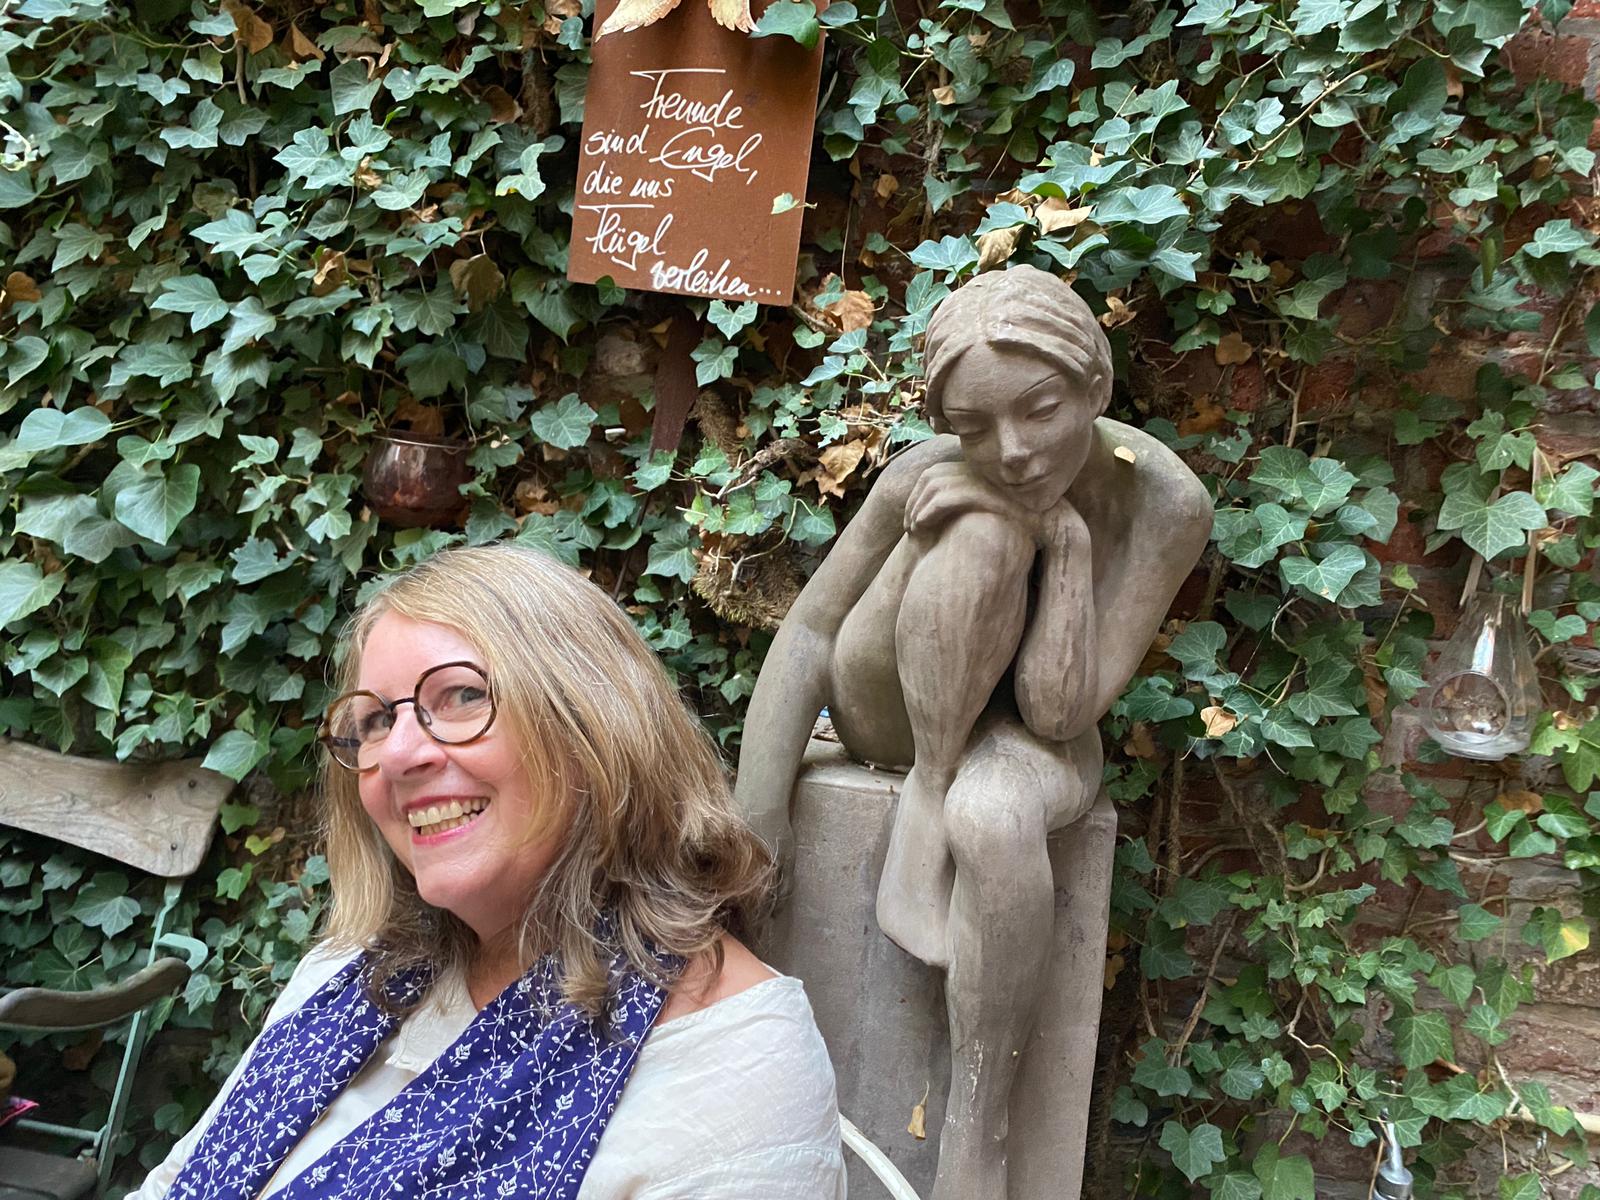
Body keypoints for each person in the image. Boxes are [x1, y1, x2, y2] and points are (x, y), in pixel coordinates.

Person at [135, 543, 845, 1200]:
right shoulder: (352, 968)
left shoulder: (735, 1066)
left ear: (593, 721)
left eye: (463, 696)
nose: (399, 754)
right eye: (375, 721)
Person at [734, 265, 1212, 1200]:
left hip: (1038, 726)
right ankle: (931, 779)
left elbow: (1060, 713)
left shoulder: (1163, 502)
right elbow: (814, 631)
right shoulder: (926, 472)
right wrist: (761, 814)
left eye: (1041, 410)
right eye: (972, 427)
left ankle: (976, 1133)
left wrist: (1063, 542)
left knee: (994, 818)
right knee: (978, 534)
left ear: (1096, 386)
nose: (1014, 452)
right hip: (894, 711)